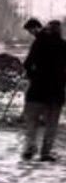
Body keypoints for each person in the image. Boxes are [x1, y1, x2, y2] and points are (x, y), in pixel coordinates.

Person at [22, 20, 66, 161]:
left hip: (37, 90)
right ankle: (45, 152)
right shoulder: (63, 45)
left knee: (32, 122)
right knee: (51, 124)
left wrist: (33, 76)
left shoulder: (38, 43)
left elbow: (27, 64)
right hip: (56, 93)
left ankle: (29, 148)